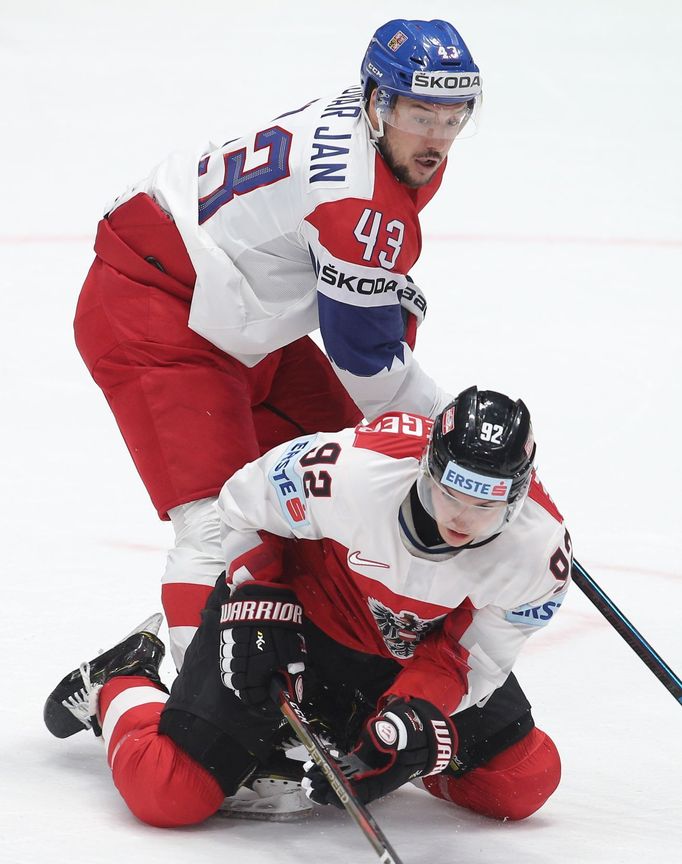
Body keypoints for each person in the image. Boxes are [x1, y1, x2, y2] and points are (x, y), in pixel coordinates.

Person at [74, 19, 483, 669]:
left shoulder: (381, 140)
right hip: (156, 308)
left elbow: (347, 287)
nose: (436, 138)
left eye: (453, 117)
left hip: (236, 312)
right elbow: (369, 368)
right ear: (378, 103)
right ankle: (206, 718)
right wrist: (456, 435)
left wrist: (380, 297)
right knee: (216, 527)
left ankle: (314, 661)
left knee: (352, 482)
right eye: (421, 114)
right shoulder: (358, 199)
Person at [44, 386, 570, 828]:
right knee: (168, 790)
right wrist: (256, 594)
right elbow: (241, 506)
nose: (460, 519)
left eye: (485, 505)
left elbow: (470, 660)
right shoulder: (349, 472)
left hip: (408, 657)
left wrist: (410, 726)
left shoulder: (539, 554)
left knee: (523, 781)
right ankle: (122, 676)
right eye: (449, 494)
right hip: (297, 623)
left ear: (517, 496)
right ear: (426, 467)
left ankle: (356, 740)